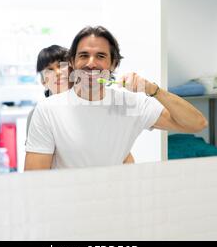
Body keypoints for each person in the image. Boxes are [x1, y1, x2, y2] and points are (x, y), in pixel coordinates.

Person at [25, 26, 207, 170]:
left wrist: (153, 89)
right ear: (73, 62)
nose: (91, 63)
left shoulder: (129, 104)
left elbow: (197, 124)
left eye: (101, 56)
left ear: (114, 64)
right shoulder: (48, 110)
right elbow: (35, 180)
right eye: (83, 55)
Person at [26, 44, 135, 165]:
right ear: (43, 82)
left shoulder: (97, 107)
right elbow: (35, 171)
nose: (57, 72)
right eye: (49, 69)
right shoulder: (39, 114)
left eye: (62, 66)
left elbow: (125, 158)